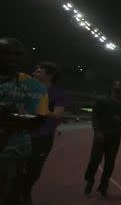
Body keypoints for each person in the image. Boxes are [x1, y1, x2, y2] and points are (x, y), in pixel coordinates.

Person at [0, 38, 49, 204]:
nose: (11, 57)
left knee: (9, 194)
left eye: (17, 54)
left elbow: (39, 120)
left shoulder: (37, 88)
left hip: (14, 153)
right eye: (6, 52)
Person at [22, 62, 67, 204]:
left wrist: (41, 110)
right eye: (35, 71)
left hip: (41, 137)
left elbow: (58, 115)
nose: (34, 73)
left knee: (33, 171)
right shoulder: (25, 88)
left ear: (50, 76)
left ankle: (24, 193)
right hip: (20, 135)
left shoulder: (59, 93)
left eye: (39, 71)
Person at [84, 81, 121, 198]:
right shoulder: (102, 100)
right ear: (112, 86)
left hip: (115, 136)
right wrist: (97, 132)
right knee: (94, 161)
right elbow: (94, 117)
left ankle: (103, 186)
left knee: (110, 163)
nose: (119, 87)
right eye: (117, 84)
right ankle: (90, 181)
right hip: (101, 135)